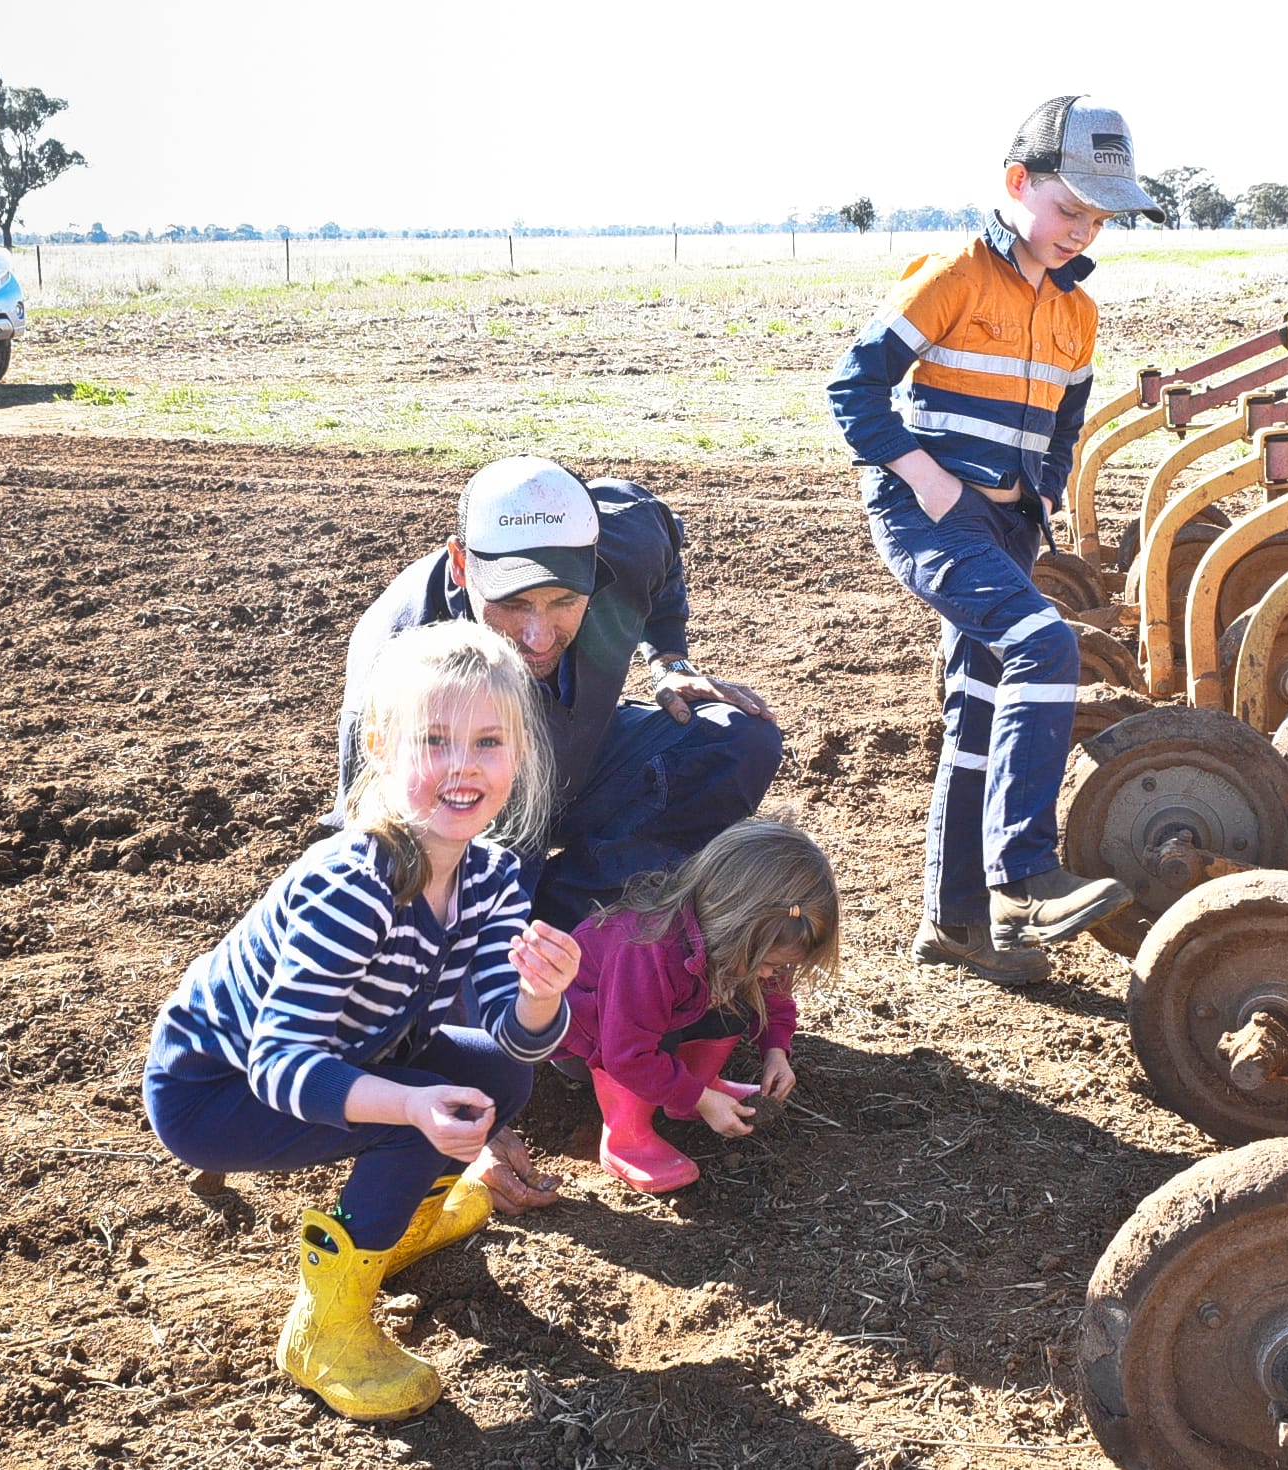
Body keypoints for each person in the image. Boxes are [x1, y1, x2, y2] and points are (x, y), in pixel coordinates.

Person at [144, 621, 580, 1422]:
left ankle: (399, 1224)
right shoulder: (357, 884)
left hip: (352, 1051)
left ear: (519, 754)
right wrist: (411, 1105)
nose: (462, 766)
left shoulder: (489, 874)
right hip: (217, 1088)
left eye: (488, 741)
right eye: (434, 740)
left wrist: (543, 995)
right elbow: (278, 1061)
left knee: (496, 1074)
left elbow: (511, 1032)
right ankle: (327, 1330)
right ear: (380, 747)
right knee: (422, 1114)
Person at [335, 455, 783, 1213]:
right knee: (459, 902)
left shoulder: (626, 538)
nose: (539, 634)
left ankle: (584, 949)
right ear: (461, 564)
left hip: (577, 761)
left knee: (734, 740)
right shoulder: (403, 663)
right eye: (511, 604)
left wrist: (669, 661)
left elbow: (662, 544)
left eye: (565, 601)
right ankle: (518, 965)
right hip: (474, 816)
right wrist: (459, 1116)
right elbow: (379, 871)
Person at [827, 95, 1161, 986]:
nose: (1082, 230)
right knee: (1044, 643)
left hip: (1006, 525)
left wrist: (1041, 491)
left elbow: (1069, 416)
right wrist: (925, 476)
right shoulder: (952, 276)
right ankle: (1021, 879)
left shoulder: (1076, 314)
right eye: (1069, 209)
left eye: (1099, 218)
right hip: (930, 514)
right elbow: (850, 390)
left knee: (981, 701)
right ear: (1017, 183)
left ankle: (960, 923)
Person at [553, 815, 839, 1193]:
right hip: (587, 1045)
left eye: (780, 966)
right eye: (769, 964)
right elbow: (625, 1053)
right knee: (661, 1031)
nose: (772, 974)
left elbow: (774, 994)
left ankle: (688, 1094)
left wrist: (776, 1051)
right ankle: (626, 1137)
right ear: (734, 925)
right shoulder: (647, 949)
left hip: (654, 1024)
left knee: (742, 993)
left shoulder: (737, 942)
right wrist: (705, 1101)